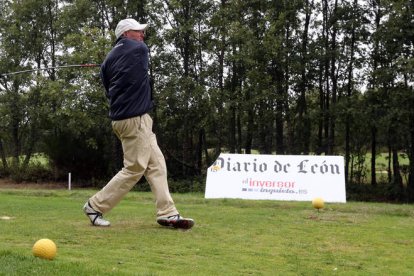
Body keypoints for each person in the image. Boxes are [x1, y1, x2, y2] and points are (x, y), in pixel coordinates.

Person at [83, 18, 194, 230]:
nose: (142, 35)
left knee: (157, 165)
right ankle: (94, 206)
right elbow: (141, 66)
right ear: (126, 34)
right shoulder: (138, 49)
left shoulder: (108, 61)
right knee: (134, 168)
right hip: (135, 119)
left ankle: (168, 213)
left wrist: (117, 65)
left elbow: (108, 85)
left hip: (125, 119)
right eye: (138, 31)